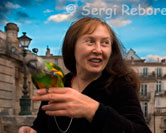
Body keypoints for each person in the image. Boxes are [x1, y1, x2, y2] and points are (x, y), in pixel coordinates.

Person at [18, 17, 151, 133]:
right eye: (90, 41)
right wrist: (33, 130)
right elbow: (42, 125)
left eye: (105, 43)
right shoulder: (58, 82)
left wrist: (93, 110)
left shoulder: (120, 86)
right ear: (72, 46)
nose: (98, 50)